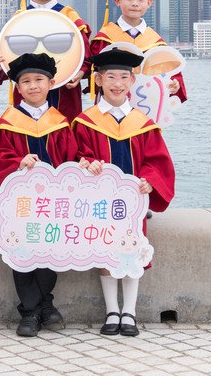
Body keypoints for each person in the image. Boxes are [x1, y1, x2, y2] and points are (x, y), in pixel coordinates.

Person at [72, 48, 175, 338]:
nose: (117, 83)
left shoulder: (143, 124)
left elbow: (157, 161)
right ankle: (111, 311)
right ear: (98, 80)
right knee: (105, 254)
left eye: (123, 77)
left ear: (132, 81)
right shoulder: (85, 121)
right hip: (100, 203)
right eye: (111, 77)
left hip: (132, 203)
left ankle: (129, 311)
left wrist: (151, 180)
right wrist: (86, 163)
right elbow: (76, 155)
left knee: (132, 253)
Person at [0, 52, 79, 337]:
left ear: (50, 84)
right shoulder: (8, 121)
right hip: (21, 204)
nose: (33, 86)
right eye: (26, 81)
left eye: (39, 80)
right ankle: (32, 310)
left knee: (48, 250)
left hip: (52, 204)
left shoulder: (60, 122)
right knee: (22, 253)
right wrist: (17, 162)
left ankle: (41, 305)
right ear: (18, 87)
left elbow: (71, 158)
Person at [0, 0, 91, 121]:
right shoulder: (19, 19)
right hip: (28, 87)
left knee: (64, 130)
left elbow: (85, 54)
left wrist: (81, 72)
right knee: (26, 129)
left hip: (63, 89)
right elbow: (7, 52)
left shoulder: (70, 17)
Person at [90, 0, 187, 104]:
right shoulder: (105, 38)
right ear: (117, 1)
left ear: (149, 3)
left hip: (148, 106)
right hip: (111, 105)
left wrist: (175, 84)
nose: (135, 3)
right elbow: (92, 73)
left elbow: (172, 75)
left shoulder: (156, 43)